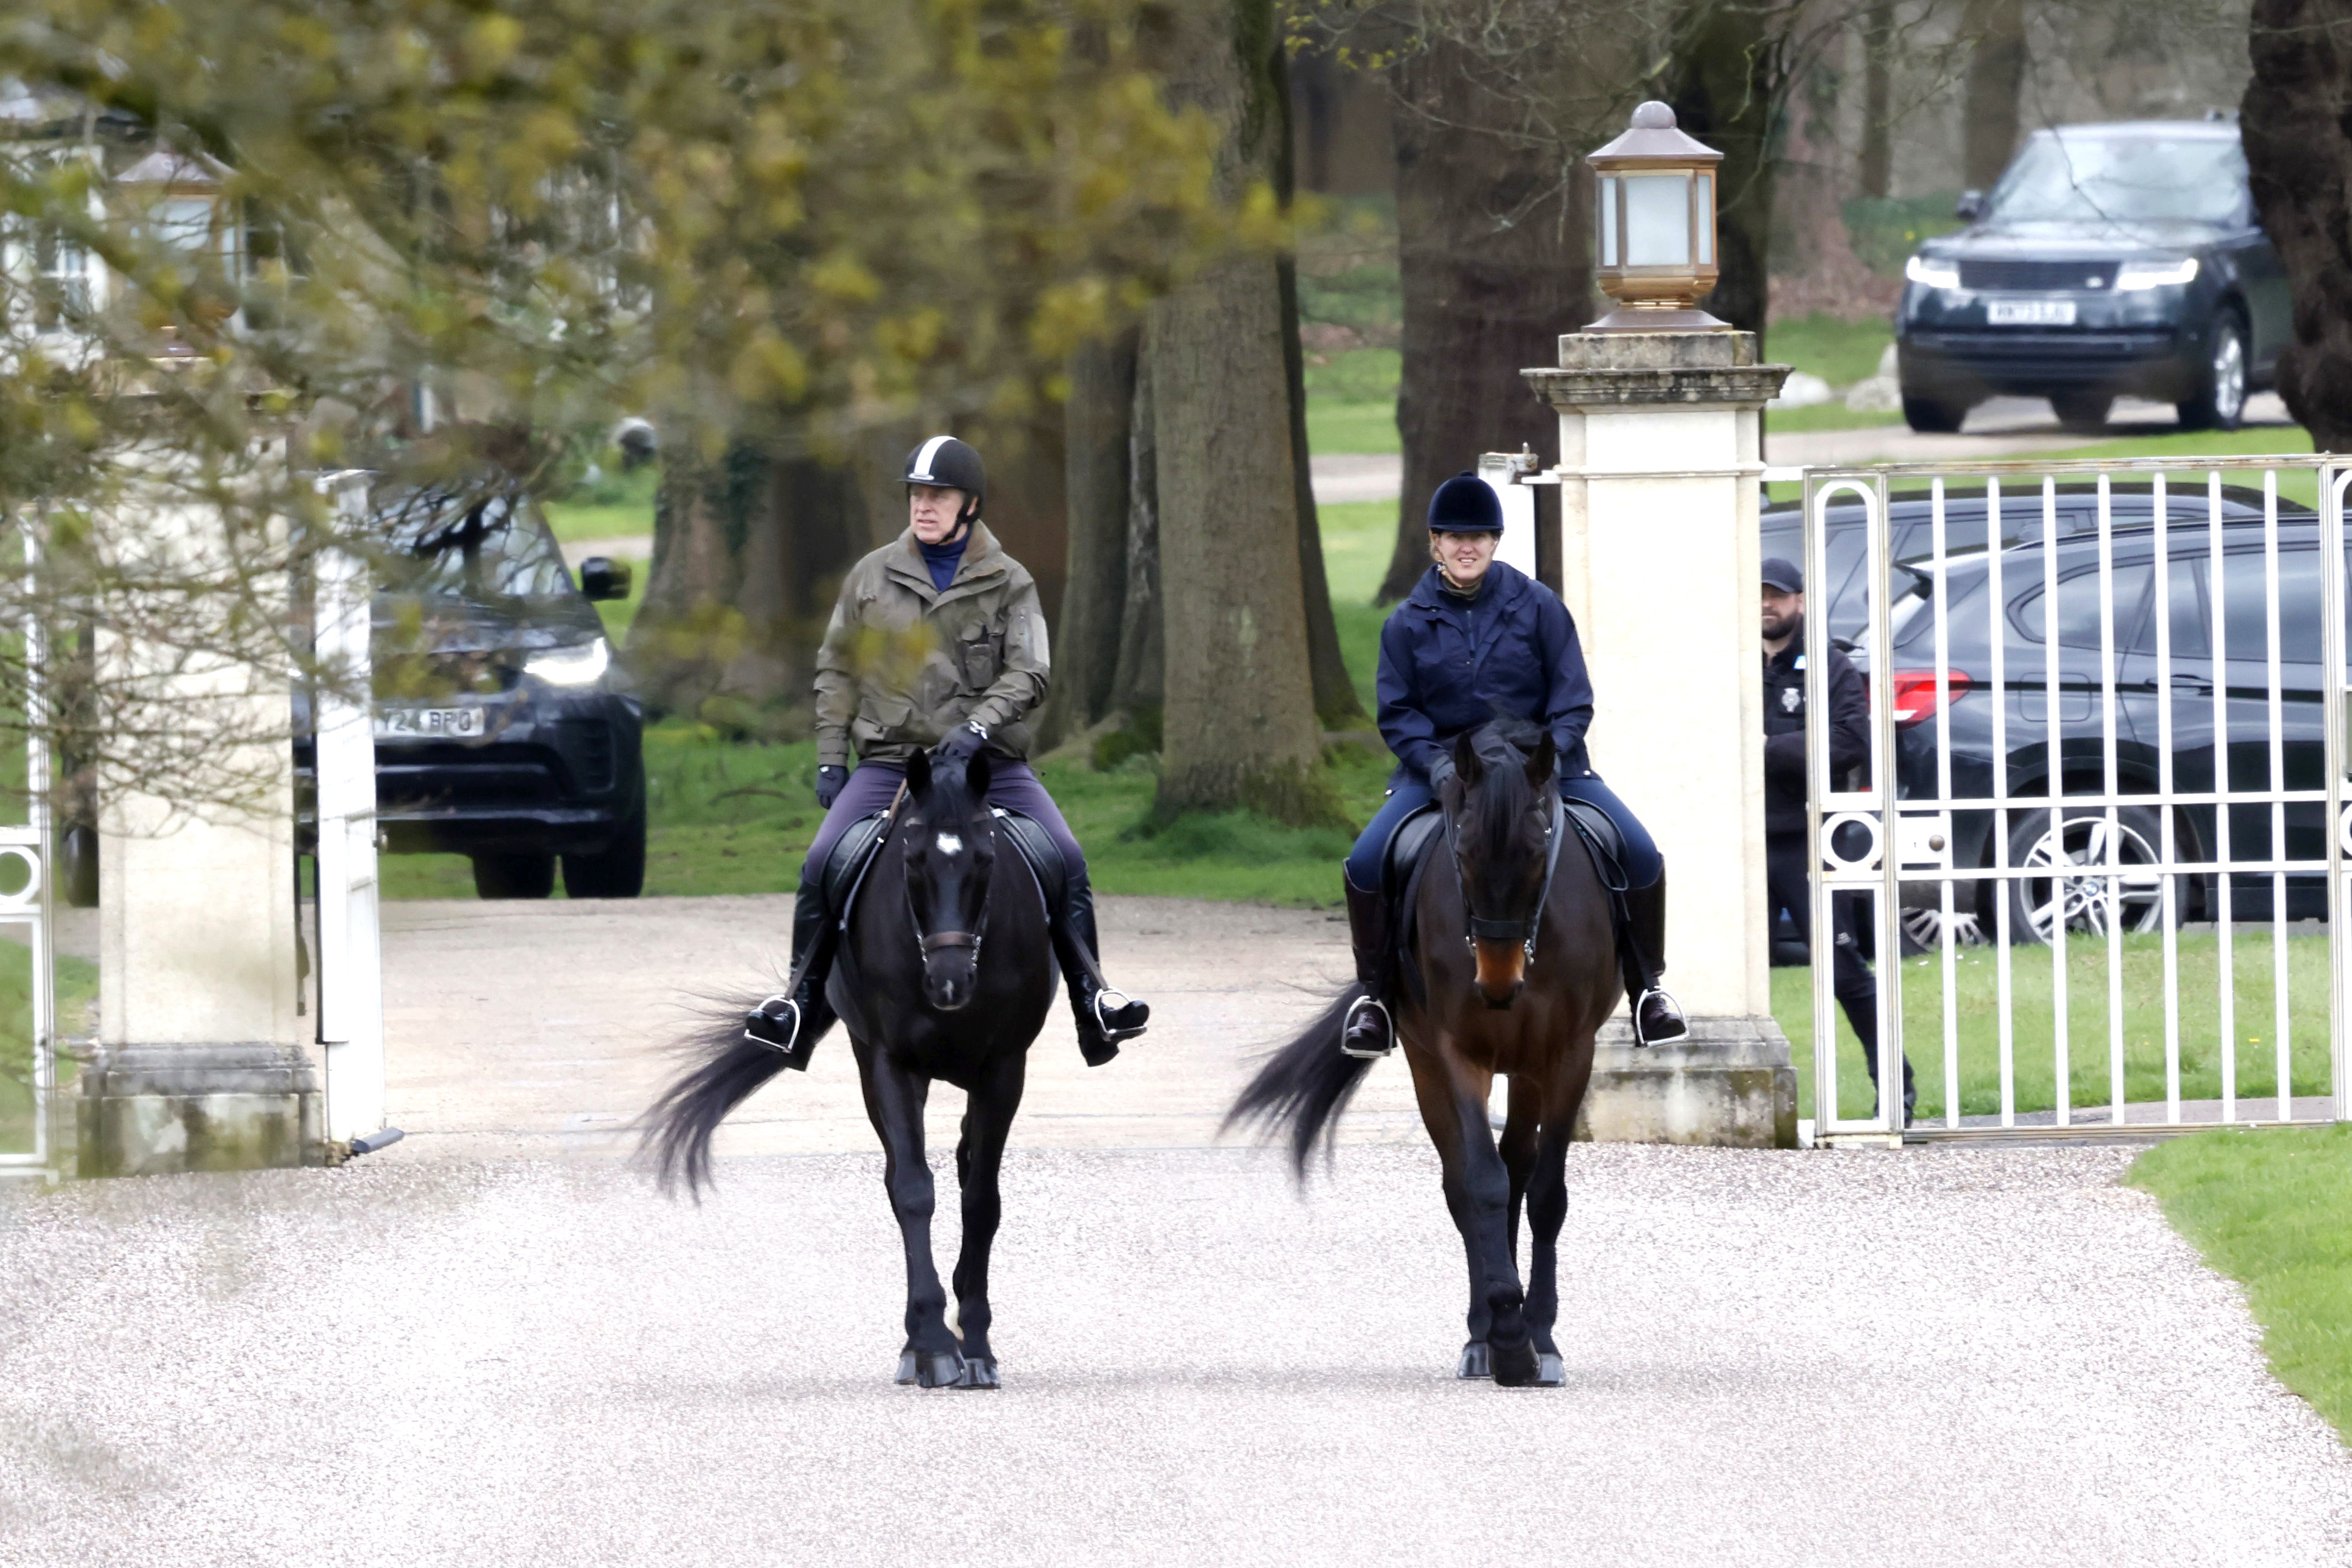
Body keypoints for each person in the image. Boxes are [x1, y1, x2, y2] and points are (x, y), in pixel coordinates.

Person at [759, 435, 1150, 1066]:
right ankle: (797, 1008)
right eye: (916, 494)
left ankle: (1093, 1003)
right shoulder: (870, 577)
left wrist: (977, 729)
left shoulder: (1010, 581)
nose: (923, 506)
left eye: (937, 495)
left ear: (970, 504)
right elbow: (836, 671)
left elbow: (1030, 672)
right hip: (892, 765)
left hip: (987, 767)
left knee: (1068, 860)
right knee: (822, 860)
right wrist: (832, 756)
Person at [1339, 471, 1686, 1057]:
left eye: (1477, 535)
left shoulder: (1540, 606)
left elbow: (1574, 698)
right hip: (1445, 773)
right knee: (1367, 861)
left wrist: (1545, 758)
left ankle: (1648, 990)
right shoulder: (1406, 622)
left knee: (1641, 851)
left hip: (1544, 770)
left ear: (1496, 541)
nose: (1466, 546)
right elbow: (1398, 714)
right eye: (1453, 536)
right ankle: (1374, 998)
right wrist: (1439, 766)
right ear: (1435, 542)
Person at [1759, 556, 1914, 1123]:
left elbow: (1851, 741)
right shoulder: (1733, 663)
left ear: (1799, 601)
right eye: (1757, 595)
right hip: (1745, 846)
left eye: (1776, 595)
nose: (1766, 605)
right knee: (1719, 978)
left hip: (1807, 841)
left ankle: (1896, 1091)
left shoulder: (1828, 667)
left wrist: (1769, 748)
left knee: (1845, 974)